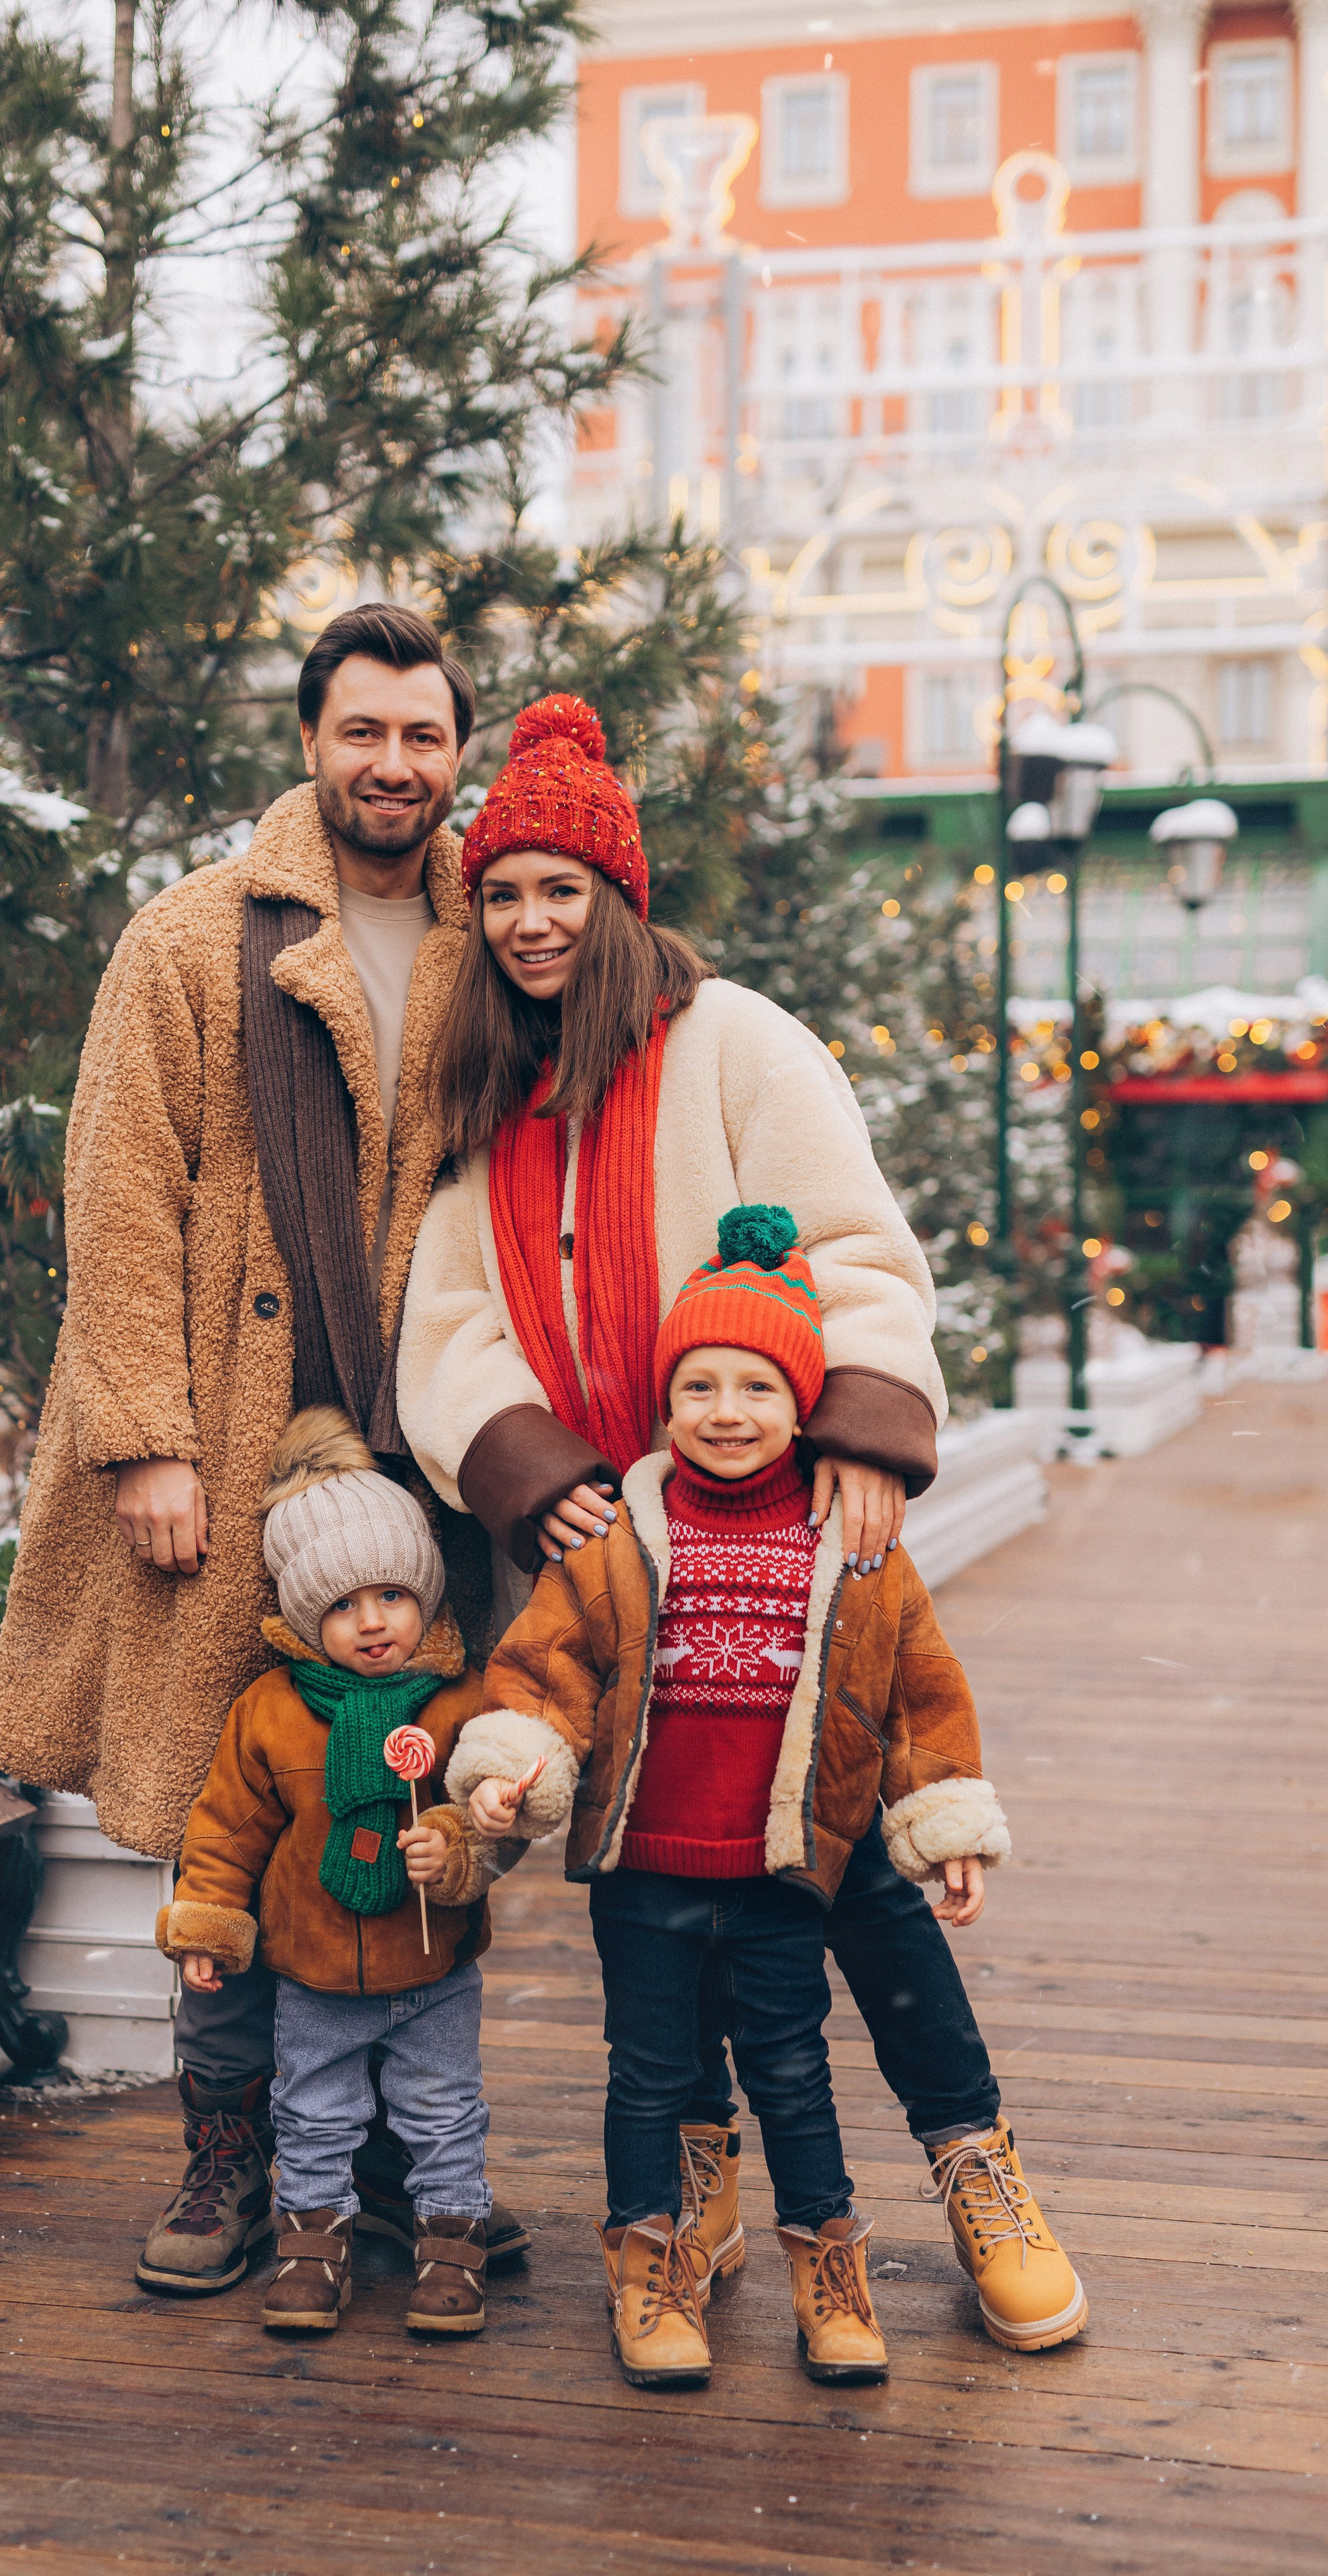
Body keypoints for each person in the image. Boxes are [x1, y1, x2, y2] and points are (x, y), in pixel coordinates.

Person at [392, 688, 1050, 2333]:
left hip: (776, 1528)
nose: (532, 922)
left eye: (561, 889)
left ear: (616, 897)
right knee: (661, 1903)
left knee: (858, 1882)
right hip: (625, 1572)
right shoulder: (493, 1099)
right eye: (503, 893)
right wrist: (537, 1476)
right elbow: (454, 1319)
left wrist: (857, 1433)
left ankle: (973, 2164)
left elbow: (853, 1249)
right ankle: (697, 2174)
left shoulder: (737, 1042)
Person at [0, 603, 526, 2296]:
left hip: (411, 1465)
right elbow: (122, 1202)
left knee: (401, 1796)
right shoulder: (191, 940)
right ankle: (228, 2159)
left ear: (456, 754)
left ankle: (391, 2163)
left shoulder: (487, 942)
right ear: (310, 741)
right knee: (228, 1814)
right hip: (224, 1450)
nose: (392, 763)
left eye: (423, 735)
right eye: (362, 731)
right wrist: (145, 1446)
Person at [443, 1210, 1086, 2387]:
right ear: (663, 1401)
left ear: (807, 1408)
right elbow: (548, 1667)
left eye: (758, 1387)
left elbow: (921, 1688)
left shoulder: (848, 1539)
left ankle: (960, 2173)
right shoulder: (618, 1538)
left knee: (801, 2059)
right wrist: (512, 1767)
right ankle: (668, 2232)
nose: (728, 1411)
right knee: (651, 2063)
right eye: (699, 1385)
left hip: (794, 1853)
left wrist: (942, 1818)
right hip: (650, 1861)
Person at [156, 1409, 514, 2335]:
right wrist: (206, 1924)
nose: (373, 1622)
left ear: (426, 1593)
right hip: (310, 1968)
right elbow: (228, 1826)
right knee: (311, 2110)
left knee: (441, 2111)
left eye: (392, 1596)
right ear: (306, 1617)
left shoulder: (457, 1701)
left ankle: (450, 2238)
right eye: (344, 1605)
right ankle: (313, 2244)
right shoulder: (271, 1712)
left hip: (431, 1971)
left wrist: (461, 1844)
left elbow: (491, 1807)